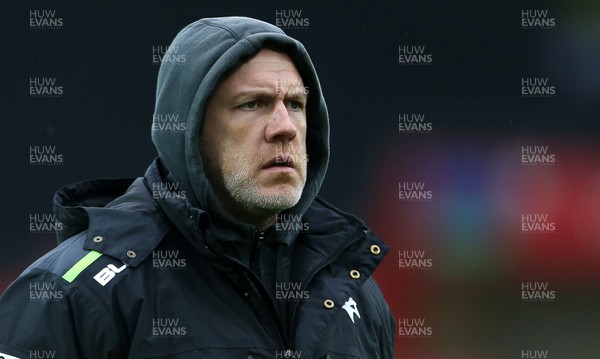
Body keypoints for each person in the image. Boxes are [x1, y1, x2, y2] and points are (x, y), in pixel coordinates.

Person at [0, 16, 394, 358]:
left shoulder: (355, 293)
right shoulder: (74, 292)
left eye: (295, 104)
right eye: (252, 104)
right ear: (189, 132)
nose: (284, 128)